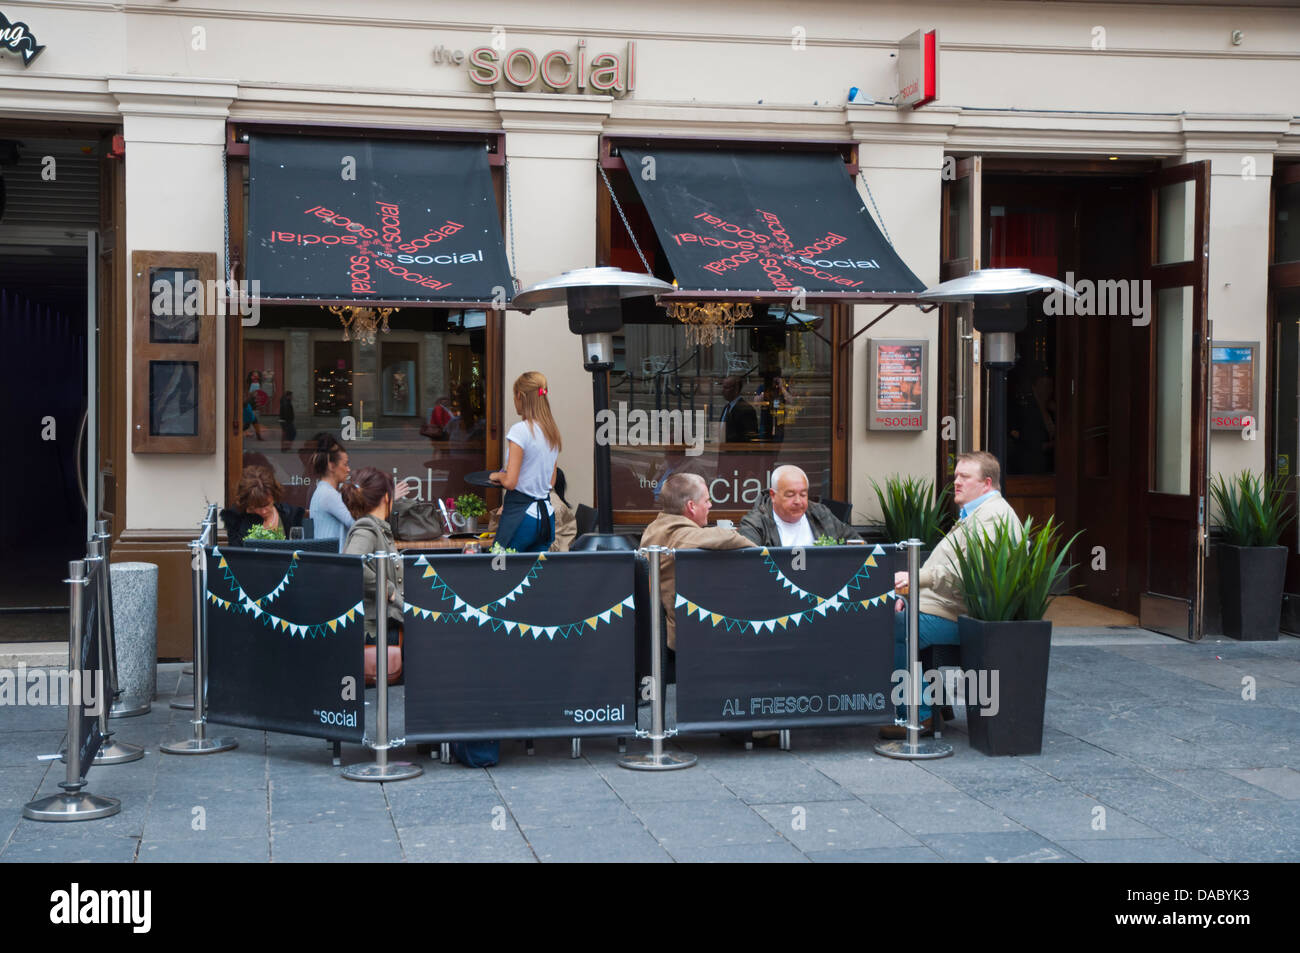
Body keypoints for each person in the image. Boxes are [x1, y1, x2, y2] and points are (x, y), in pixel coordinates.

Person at [879, 450, 1023, 739]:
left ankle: (917, 717)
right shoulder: (978, 512)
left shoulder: (993, 518)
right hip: (945, 607)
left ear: (986, 483)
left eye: (964, 477)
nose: (956, 482)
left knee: (896, 625)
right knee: (893, 613)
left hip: (961, 615)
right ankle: (936, 705)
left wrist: (914, 580)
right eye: (956, 475)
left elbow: (966, 573)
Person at [639, 473, 756, 651]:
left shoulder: (656, 526)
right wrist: (761, 552)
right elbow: (727, 539)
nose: (710, 505)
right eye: (707, 500)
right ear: (691, 506)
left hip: (672, 633)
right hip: (685, 640)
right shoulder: (680, 536)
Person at [488, 371, 562, 553]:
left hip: (520, 517)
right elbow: (551, 482)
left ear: (520, 396)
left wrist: (497, 475)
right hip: (546, 517)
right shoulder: (551, 432)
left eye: (514, 396)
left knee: (500, 569)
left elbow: (511, 482)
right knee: (534, 576)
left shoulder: (520, 431)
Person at [341, 467, 404, 678]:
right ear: (387, 497)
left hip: (385, 627)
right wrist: (390, 591)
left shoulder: (377, 528)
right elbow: (352, 563)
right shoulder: (367, 529)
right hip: (377, 631)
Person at [738, 464, 861, 547]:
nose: (798, 501)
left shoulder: (820, 514)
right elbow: (749, 565)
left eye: (803, 494)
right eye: (790, 494)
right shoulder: (755, 523)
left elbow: (858, 544)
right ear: (773, 495)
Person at [220, 466, 304, 545]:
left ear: (274, 496)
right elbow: (237, 554)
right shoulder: (236, 519)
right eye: (257, 507)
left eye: (267, 504)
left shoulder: (289, 514)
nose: (264, 511)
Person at [307, 433, 354, 552]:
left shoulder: (323, 491)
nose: (348, 469)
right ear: (331, 466)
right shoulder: (328, 495)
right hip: (333, 562)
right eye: (345, 464)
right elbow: (357, 524)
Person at [718, 376, 758, 443]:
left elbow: (749, 437)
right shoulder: (726, 407)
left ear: (736, 389)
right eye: (723, 387)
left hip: (736, 451)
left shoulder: (746, 409)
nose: (723, 390)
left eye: (726, 388)